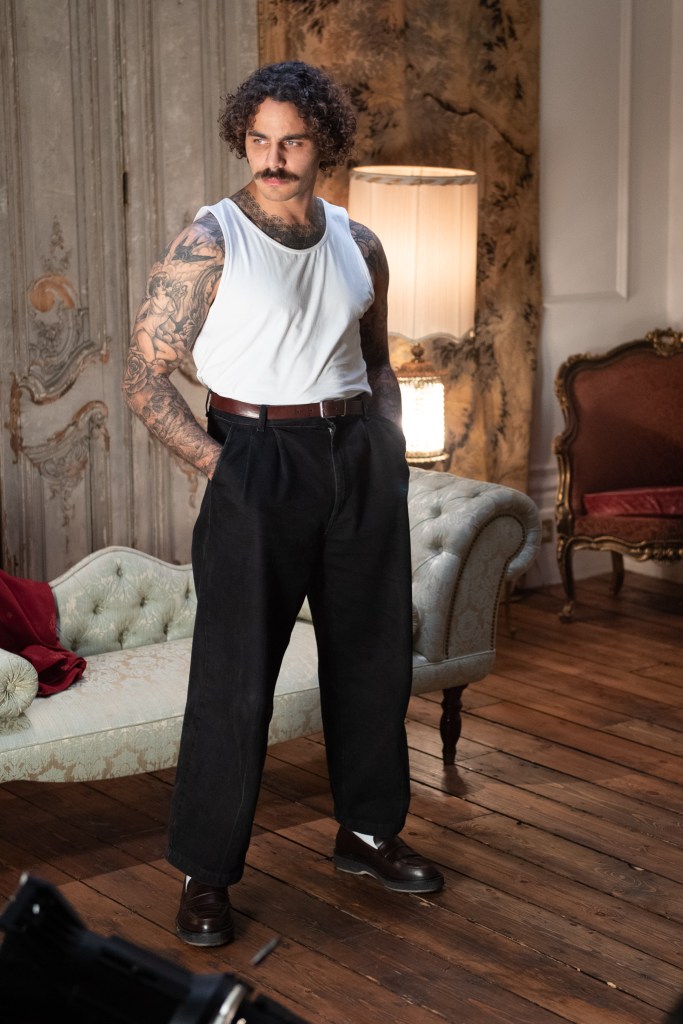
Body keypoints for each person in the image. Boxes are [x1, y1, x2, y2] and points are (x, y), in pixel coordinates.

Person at [122, 60, 444, 948]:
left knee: (373, 661)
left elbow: (375, 360)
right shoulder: (210, 239)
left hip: (357, 459)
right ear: (243, 140)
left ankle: (367, 834)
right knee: (234, 681)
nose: (272, 158)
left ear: (321, 145)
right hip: (255, 456)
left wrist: (385, 444)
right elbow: (144, 375)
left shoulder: (358, 242)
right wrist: (220, 466)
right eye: (258, 140)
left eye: (291, 142)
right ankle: (206, 875)